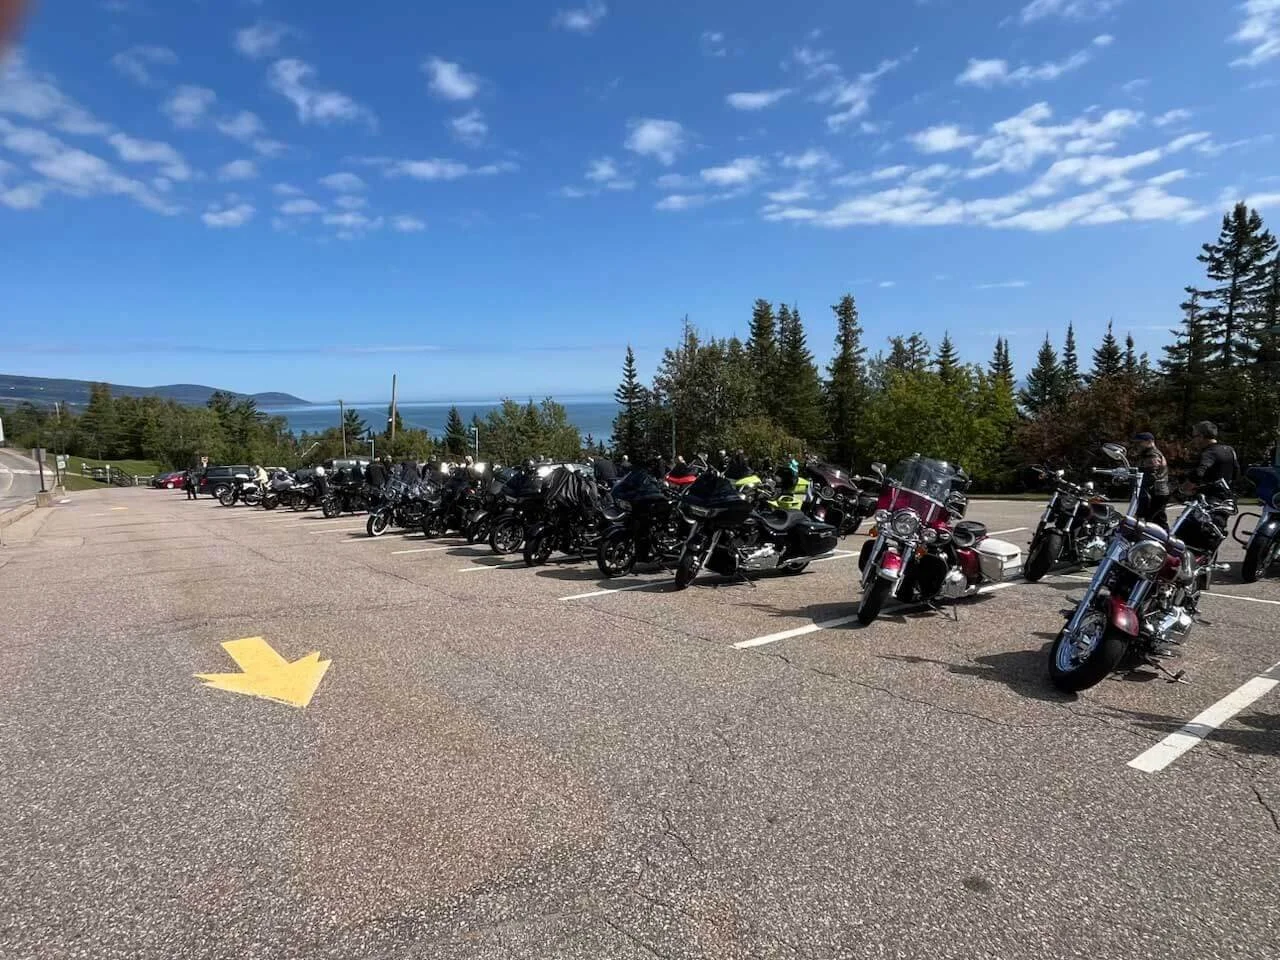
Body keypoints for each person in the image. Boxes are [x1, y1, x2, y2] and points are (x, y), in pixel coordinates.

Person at [1186, 421, 1238, 493]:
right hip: (1228, 495)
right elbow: (1236, 471)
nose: (1193, 440)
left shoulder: (1209, 453)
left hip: (1210, 496)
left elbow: (1199, 472)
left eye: (1194, 436)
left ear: (1201, 436)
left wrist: (1185, 487)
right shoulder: (1230, 450)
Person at [1133, 432, 1170, 529]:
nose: (1137, 445)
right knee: (1156, 519)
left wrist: (1138, 481)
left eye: (1139, 442)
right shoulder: (1146, 454)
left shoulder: (1152, 455)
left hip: (1156, 492)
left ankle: (1165, 536)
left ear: (1149, 442)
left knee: (1153, 521)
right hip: (1155, 491)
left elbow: (1151, 475)